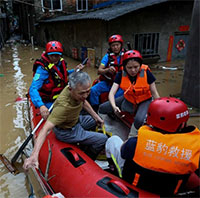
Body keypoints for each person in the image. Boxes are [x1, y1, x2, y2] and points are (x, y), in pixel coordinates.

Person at [105, 97, 200, 196]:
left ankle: (112, 169)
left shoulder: (136, 142)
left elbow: (123, 152)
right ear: (181, 125)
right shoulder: (193, 150)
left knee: (113, 140)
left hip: (134, 185)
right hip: (168, 192)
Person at [23, 71, 108, 170]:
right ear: (71, 89)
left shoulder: (75, 91)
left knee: (93, 121)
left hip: (75, 120)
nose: (85, 95)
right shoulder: (63, 107)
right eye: (82, 93)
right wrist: (34, 155)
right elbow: (45, 129)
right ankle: (89, 157)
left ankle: (85, 141)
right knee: (103, 138)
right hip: (67, 131)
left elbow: (83, 101)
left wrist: (96, 117)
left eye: (87, 91)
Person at [99, 50, 160, 137]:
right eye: (129, 68)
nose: (133, 70)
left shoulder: (147, 73)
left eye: (136, 67)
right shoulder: (121, 74)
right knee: (102, 108)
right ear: (125, 66)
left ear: (140, 65)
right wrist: (114, 107)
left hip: (145, 99)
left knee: (139, 120)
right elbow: (111, 93)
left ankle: (131, 136)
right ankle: (106, 124)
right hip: (129, 98)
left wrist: (158, 109)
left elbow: (154, 93)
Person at [29, 41, 84, 119]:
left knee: (80, 103)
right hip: (49, 100)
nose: (55, 58)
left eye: (57, 55)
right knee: (63, 114)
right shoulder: (42, 69)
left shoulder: (60, 63)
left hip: (61, 96)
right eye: (52, 56)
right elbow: (33, 89)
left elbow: (63, 75)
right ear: (48, 55)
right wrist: (41, 106)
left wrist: (75, 70)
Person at [89, 35, 126, 112]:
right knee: (93, 90)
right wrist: (107, 70)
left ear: (121, 45)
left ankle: (114, 111)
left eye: (117, 45)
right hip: (108, 82)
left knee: (117, 97)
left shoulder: (126, 56)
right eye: (113, 45)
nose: (115, 47)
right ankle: (95, 109)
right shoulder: (107, 57)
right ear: (110, 47)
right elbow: (99, 71)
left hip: (121, 84)